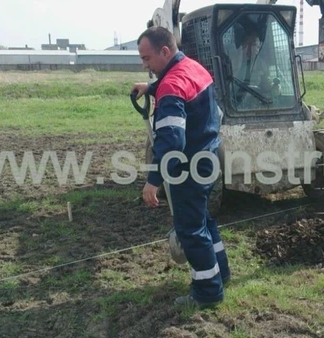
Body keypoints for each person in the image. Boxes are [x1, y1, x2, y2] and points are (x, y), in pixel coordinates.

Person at [131, 26, 231, 307]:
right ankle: (221, 274)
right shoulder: (194, 68)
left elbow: (172, 142)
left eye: (147, 58)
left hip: (189, 167)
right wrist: (150, 87)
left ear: (165, 51)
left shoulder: (172, 87)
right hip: (210, 159)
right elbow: (184, 90)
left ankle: (207, 293)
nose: (145, 64)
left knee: (190, 230)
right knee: (205, 222)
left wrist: (154, 180)